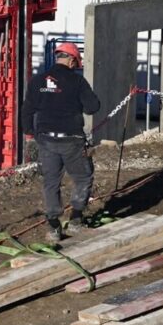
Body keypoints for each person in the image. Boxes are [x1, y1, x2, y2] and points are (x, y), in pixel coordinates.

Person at [22, 42, 101, 243]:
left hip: (46, 140)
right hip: (71, 140)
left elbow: (27, 110)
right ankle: (75, 220)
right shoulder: (77, 82)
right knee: (83, 177)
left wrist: (31, 132)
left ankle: (54, 227)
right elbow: (93, 107)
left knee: (51, 182)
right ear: (73, 60)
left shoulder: (38, 80)